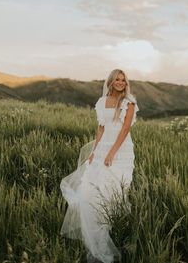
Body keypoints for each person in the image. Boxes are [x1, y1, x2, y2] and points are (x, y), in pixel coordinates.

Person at [60, 69, 139, 263]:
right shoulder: (101, 102)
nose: (120, 82)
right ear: (111, 82)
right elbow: (101, 128)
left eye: (123, 80)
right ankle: (96, 240)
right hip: (102, 149)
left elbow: (126, 129)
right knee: (89, 191)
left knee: (112, 191)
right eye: (117, 80)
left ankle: (111, 231)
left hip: (121, 152)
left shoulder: (129, 102)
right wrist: (95, 151)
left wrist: (112, 153)